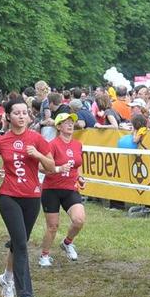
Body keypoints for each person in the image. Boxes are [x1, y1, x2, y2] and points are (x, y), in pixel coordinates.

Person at [0, 94, 55, 297]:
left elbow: (51, 167)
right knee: (21, 244)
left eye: (24, 113)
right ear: (8, 116)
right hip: (9, 196)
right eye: (16, 113)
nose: (21, 116)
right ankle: (25, 296)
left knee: (20, 241)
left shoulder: (36, 139)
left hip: (32, 197)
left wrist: (38, 155)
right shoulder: (1, 141)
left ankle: (7, 276)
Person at [38, 113, 85, 266]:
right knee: (53, 226)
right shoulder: (52, 145)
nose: (70, 125)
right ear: (58, 127)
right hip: (52, 189)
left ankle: (67, 243)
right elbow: (41, 167)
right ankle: (44, 255)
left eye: (72, 122)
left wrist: (80, 177)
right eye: (66, 122)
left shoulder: (78, 145)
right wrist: (58, 168)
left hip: (70, 188)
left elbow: (77, 165)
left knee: (79, 220)